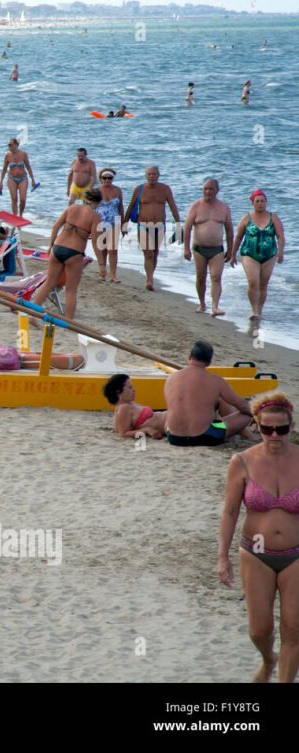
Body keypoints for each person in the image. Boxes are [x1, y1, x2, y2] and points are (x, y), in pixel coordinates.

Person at [219, 391, 299, 684]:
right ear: (256, 425)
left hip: (296, 555)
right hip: (255, 554)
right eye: (267, 429)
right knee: (259, 630)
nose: (274, 435)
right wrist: (222, 556)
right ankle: (269, 660)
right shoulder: (242, 462)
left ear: (291, 427)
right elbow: (229, 512)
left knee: (294, 628)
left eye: (281, 429)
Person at [164, 340, 255, 447]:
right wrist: (257, 414)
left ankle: (244, 436)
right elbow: (243, 406)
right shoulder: (216, 380)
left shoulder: (170, 379)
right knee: (246, 415)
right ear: (209, 362)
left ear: (189, 356)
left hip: (174, 437)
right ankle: (248, 436)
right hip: (205, 436)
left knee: (218, 402)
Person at [29, 187, 102, 321]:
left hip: (58, 247)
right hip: (74, 253)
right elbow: (96, 241)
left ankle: (32, 315)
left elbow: (56, 226)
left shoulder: (72, 208)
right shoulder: (95, 215)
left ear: (85, 199)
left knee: (49, 284)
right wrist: (102, 264)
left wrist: (50, 246)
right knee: (71, 289)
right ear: (98, 203)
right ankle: (68, 321)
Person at [230, 189, 286, 334]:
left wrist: (280, 252)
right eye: (258, 201)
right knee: (253, 281)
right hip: (249, 253)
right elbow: (238, 237)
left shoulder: (273, 217)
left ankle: (259, 309)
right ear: (253, 203)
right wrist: (232, 254)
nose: (261, 204)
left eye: (263, 201)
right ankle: (253, 309)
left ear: (266, 202)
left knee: (263, 284)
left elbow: (280, 236)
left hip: (269, 255)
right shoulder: (246, 218)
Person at [124, 165, 181, 291]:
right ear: (146, 176)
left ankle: (151, 276)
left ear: (158, 175)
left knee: (155, 253)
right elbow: (131, 206)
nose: (151, 176)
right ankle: (149, 280)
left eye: (154, 174)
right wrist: (124, 224)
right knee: (148, 253)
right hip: (143, 225)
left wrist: (178, 224)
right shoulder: (139, 189)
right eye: (149, 174)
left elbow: (172, 206)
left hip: (160, 226)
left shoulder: (165, 189)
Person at [183, 178, 234, 317]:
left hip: (217, 249)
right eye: (205, 188)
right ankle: (202, 303)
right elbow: (187, 228)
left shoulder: (224, 208)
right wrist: (186, 249)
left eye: (211, 189)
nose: (208, 191)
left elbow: (229, 230)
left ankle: (215, 306)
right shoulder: (196, 206)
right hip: (199, 248)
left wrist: (231, 250)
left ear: (217, 190)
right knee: (201, 277)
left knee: (216, 277)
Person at [103, 374, 167, 439]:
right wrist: (146, 430)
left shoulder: (130, 404)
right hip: (168, 422)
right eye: (130, 387)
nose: (134, 390)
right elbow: (123, 433)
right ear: (118, 391)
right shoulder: (123, 408)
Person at [95, 167, 125, 283]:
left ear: (113, 179)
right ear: (101, 179)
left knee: (113, 249)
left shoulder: (117, 190)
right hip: (100, 222)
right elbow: (90, 207)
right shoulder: (97, 190)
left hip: (115, 222)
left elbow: (121, 207)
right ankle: (102, 273)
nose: (107, 180)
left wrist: (123, 224)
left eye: (110, 178)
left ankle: (113, 275)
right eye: (105, 178)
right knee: (102, 248)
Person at [0, 138, 36, 218]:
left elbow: (28, 167)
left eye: (10, 145)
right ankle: (15, 216)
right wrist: (1, 182)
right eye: (8, 145)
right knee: (14, 199)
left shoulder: (24, 154)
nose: (9, 147)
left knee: (23, 199)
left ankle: (20, 215)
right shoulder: (7, 155)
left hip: (23, 178)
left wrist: (33, 179)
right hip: (12, 178)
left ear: (16, 145)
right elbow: (4, 169)